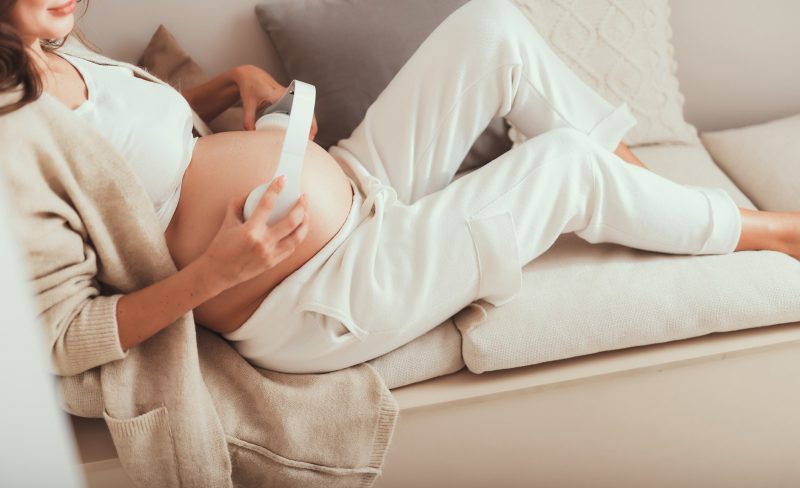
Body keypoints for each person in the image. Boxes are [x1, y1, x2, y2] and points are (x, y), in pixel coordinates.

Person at [4, 0, 798, 375]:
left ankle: (645, 192)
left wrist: (225, 90)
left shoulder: (70, 45)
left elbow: (140, 149)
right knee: (560, 165)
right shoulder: (13, 129)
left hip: (347, 188)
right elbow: (61, 337)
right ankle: (771, 232)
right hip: (308, 295)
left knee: (491, 28)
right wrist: (216, 274)